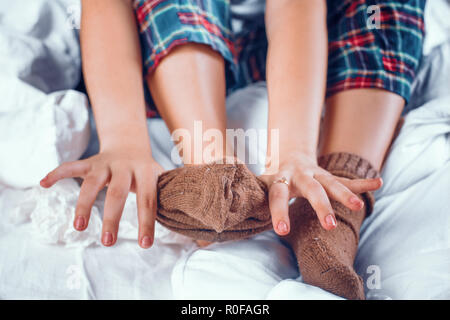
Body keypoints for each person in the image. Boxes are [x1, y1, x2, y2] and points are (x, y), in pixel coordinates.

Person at [40, 0, 425, 299]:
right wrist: (123, 137)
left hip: (297, 48)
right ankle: (214, 174)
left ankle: (333, 205)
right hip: (173, 50)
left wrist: (294, 152)